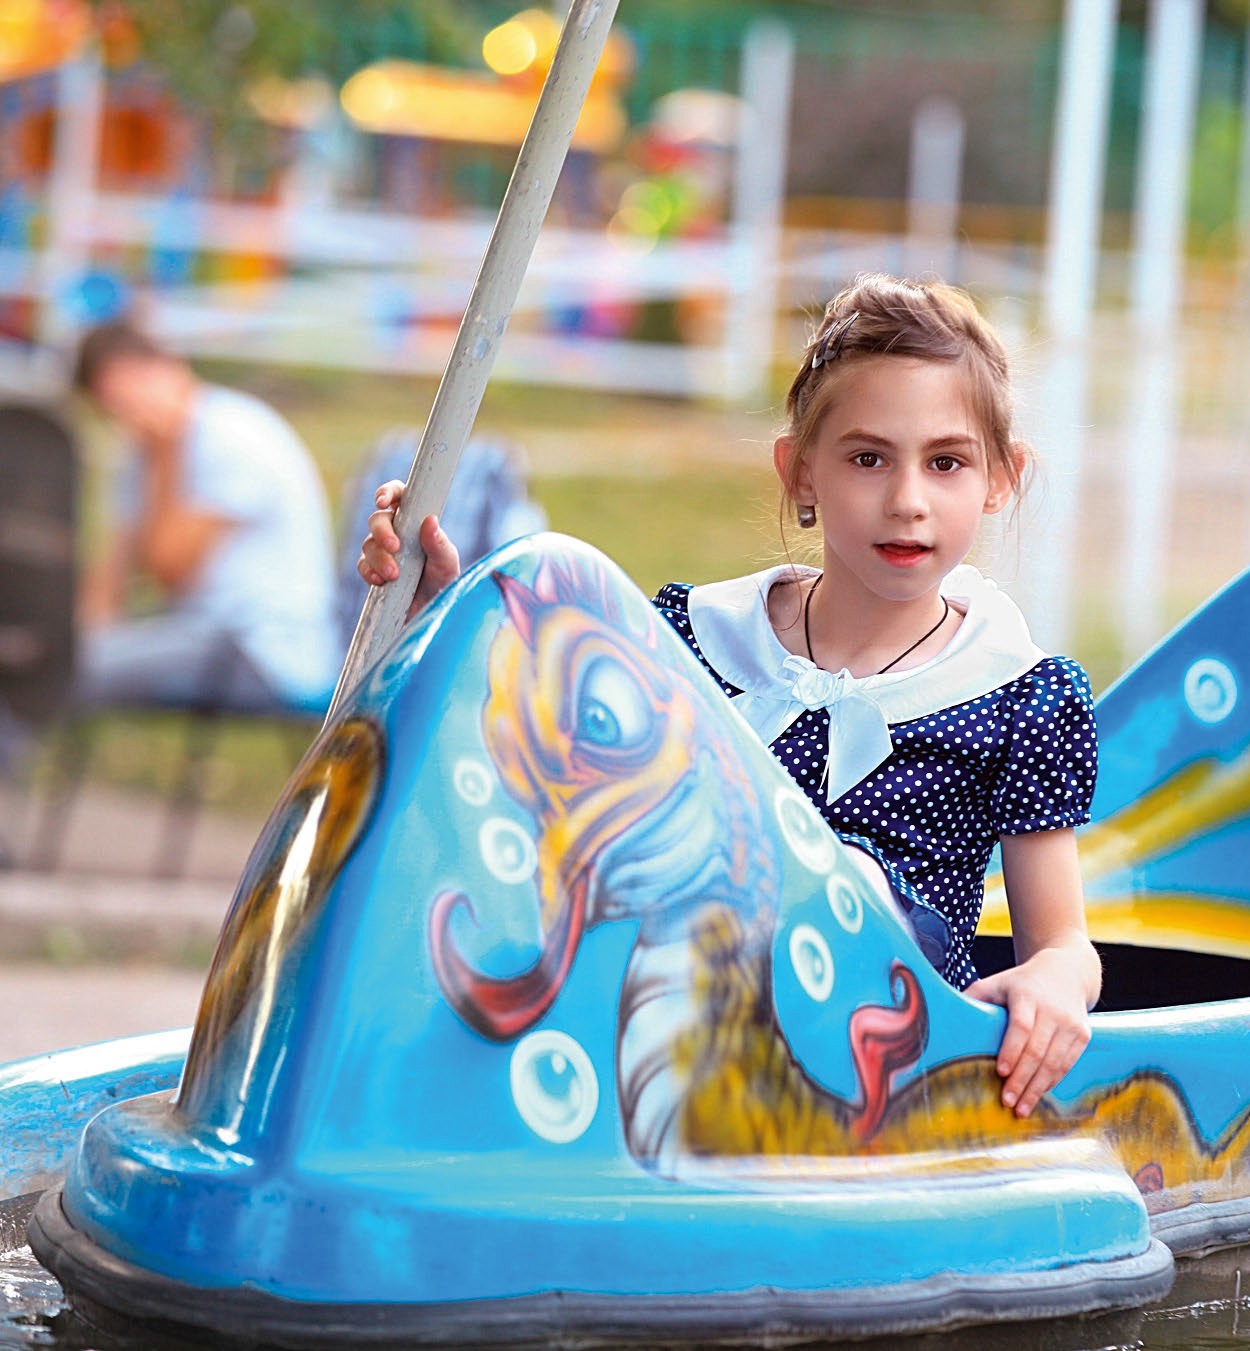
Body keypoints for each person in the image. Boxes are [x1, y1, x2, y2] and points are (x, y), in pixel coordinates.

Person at [358, 274, 1103, 1119]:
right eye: (867, 458)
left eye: (947, 463)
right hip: (663, 1031)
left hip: (885, 1071)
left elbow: (1064, 942)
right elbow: (538, 755)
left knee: (846, 877)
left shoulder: (1015, 693)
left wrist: (1054, 980)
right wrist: (440, 610)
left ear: (1001, 477)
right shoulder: (693, 638)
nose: (908, 501)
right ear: (801, 472)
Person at [73, 319, 339, 712]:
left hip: (264, 650)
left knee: (74, 668)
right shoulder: (140, 452)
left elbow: (170, 568)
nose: (133, 413)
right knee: (49, 664)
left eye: (135, 389)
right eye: (116, 407)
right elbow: (108, 583)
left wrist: (167, 455)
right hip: (202, 633)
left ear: (170, 366)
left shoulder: (232, 436)